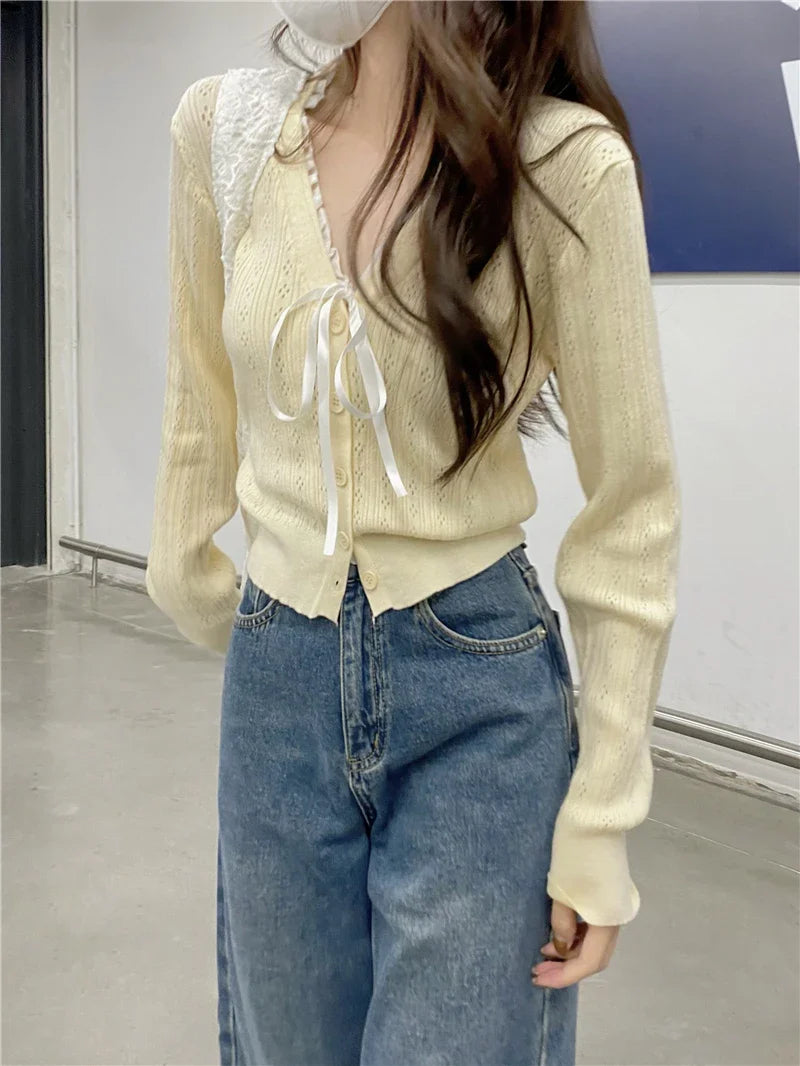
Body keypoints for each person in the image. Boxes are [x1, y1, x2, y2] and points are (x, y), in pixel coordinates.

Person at [144, 2, 681, 1063]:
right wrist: (190, 573)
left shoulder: (562, 163)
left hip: (477, 693)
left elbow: (632, 506)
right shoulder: (223, 132)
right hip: (275, 687)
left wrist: (603, 810)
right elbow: (198, 393)